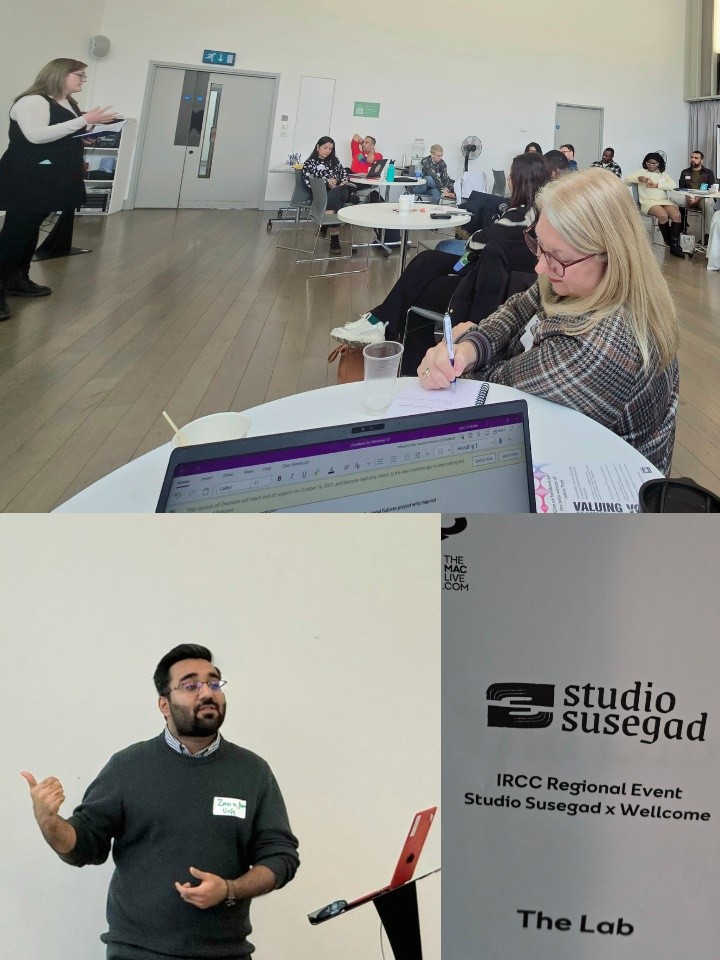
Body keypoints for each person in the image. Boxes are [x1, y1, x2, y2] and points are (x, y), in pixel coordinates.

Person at [20, 643, 299, 960]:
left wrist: (229, 890)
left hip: (226, 953)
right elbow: (85, 844)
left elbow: (280, 858)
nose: (207, 692)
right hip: (138, 953)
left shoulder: (252, 772)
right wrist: (49, 822)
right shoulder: (128, 766)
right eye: (191, 685)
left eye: (214, 682)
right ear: (164, 705)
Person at [417, 169, 680, 474]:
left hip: (590, 490)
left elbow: (495, 391)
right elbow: (517, 310)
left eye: (557, 256)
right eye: (538, 244)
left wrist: (471, 340)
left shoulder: (600, 347)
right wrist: (470, 347)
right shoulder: (579, 280)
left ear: (610, 255)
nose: (540, 266)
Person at [330, 152, 550, 371]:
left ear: (522, 179)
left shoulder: (522, 215)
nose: (509, 180)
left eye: (512, 175)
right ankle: (379, 323)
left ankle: (383, 328)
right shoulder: (539, 213)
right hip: (487, 276)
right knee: (427, 260)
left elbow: (477, 242)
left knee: (416, 291)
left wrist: (478, 234)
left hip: (484, 288)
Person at [0, 58, 118, 321]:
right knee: (16, 233)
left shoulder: (67, 102)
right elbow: (36, 136)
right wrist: (83, 120)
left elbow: (58, 132)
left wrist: (84, 132)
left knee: (29, 230)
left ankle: (18, 278)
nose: (83, 80)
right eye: (79, 75)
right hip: (28, 176)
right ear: (60, 74)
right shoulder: (33, 101)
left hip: (50, 175)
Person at [624, 153, 684, 257]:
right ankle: (669, 241)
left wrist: (657, 185)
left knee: (676, 215)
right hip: (648, 201)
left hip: (664, 200)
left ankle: (673, 245)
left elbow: (672, 185)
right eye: (648, 163)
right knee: (663, 215)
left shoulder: (663, 174)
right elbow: (626, 181)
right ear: (645, 163)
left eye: (654, 163)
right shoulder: (641, 172)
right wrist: (639, 179)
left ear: (659, 164)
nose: (651, 165)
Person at [302, 136, 349, 254]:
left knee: (337, 191)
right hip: (320, 194)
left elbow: (344, 176)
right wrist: (326, 183)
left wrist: (338, 182)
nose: (327, 151)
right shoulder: (310, 163)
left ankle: (325, 224)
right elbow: (309, 183)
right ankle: (334, 239)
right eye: (325, 148)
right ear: (318, 147)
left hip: (338, 190)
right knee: (336, 204)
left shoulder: (335, 161)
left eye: (330, 149)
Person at [675, 150, 716, 237]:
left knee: (708, 203)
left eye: (696, 158)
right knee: (672, 198)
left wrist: (698, 198)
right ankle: (677, 229)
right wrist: (687, 196)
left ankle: (708, 234)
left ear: (701, 161)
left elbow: (711, 189)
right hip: (688, 197)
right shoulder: (685, 172)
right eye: (692, 157)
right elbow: (681, 188)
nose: (693, 159)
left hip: (703, 198)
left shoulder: (708, 172)